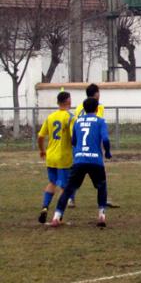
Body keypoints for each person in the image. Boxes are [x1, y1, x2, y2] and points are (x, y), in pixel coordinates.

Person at [51, 98, 112, 228]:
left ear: (84, 109)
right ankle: (101, 215)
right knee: (101, 186)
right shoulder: (100, 121)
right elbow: (106, 139)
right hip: (95, 160)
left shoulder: (78, 121)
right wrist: (107, 152)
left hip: (79, 160)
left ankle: (56, 216)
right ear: (97, 109)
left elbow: (73, 141)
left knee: (69, 189)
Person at [71, 83, 112, 208]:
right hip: (92, 145)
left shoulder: (79, 106)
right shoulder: (99, 107)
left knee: (76, 173)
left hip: (79, 144)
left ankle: (70, 198)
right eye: (99, 92)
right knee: (99, 173)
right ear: (96, 94)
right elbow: (96, 124)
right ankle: (103, 200)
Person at [37, 91, 74, 224]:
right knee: (64, 187)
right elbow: (73, 137)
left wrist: (42, 150)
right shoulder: (70, 117)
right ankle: (58, 215)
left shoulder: (51, 117)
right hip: (63, 157)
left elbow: (40, 136)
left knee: (52, 182)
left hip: (51, 156)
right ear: (68, 101)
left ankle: (45, 207)